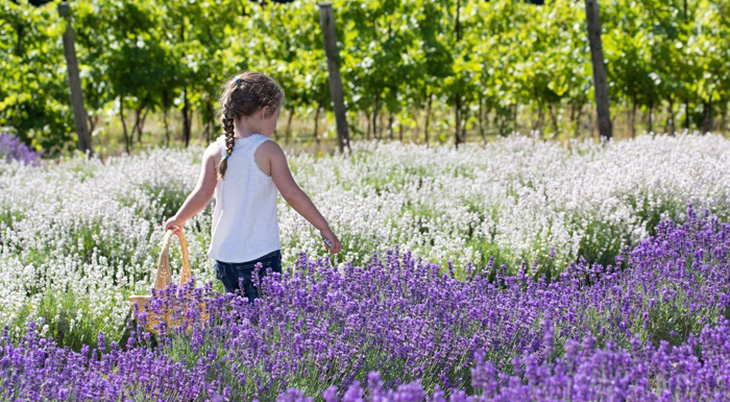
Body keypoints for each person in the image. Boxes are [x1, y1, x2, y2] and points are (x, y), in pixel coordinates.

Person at [164, 71, 341, 303]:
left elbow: (201, 195)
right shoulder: (268, 149)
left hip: (225, 258)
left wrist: (178, 219)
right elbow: (292, 194)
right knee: (264, 325)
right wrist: (323, 227)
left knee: (240, 322)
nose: (276, 124)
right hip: (261, 256)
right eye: (275, 116)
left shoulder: (215, 150)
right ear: (264, 111)